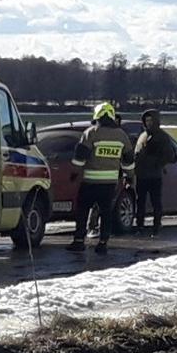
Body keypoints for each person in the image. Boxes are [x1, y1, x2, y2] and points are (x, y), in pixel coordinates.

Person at [69, 102, 134, 254]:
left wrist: (74, 174)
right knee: (106, 214)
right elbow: (129, 161)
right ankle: (103, 243)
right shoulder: (121, 136)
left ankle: (79, 241)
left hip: (90, 182)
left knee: (83, 211)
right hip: (110, 184)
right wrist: (129, 177)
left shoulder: (91, 133)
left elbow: (80, 158)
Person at [132, 109, 177, 233]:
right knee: (140, 201)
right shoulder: (143, 135)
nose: (148, 123)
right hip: (141, 174)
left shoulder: (162, 137)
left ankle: (156, 225)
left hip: (154, 175)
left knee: (155, 201)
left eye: (151, 120)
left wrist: (157, 163)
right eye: (147, 120)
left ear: (156, 121)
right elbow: (137, 153)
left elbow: (169, 155)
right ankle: (139, 225)